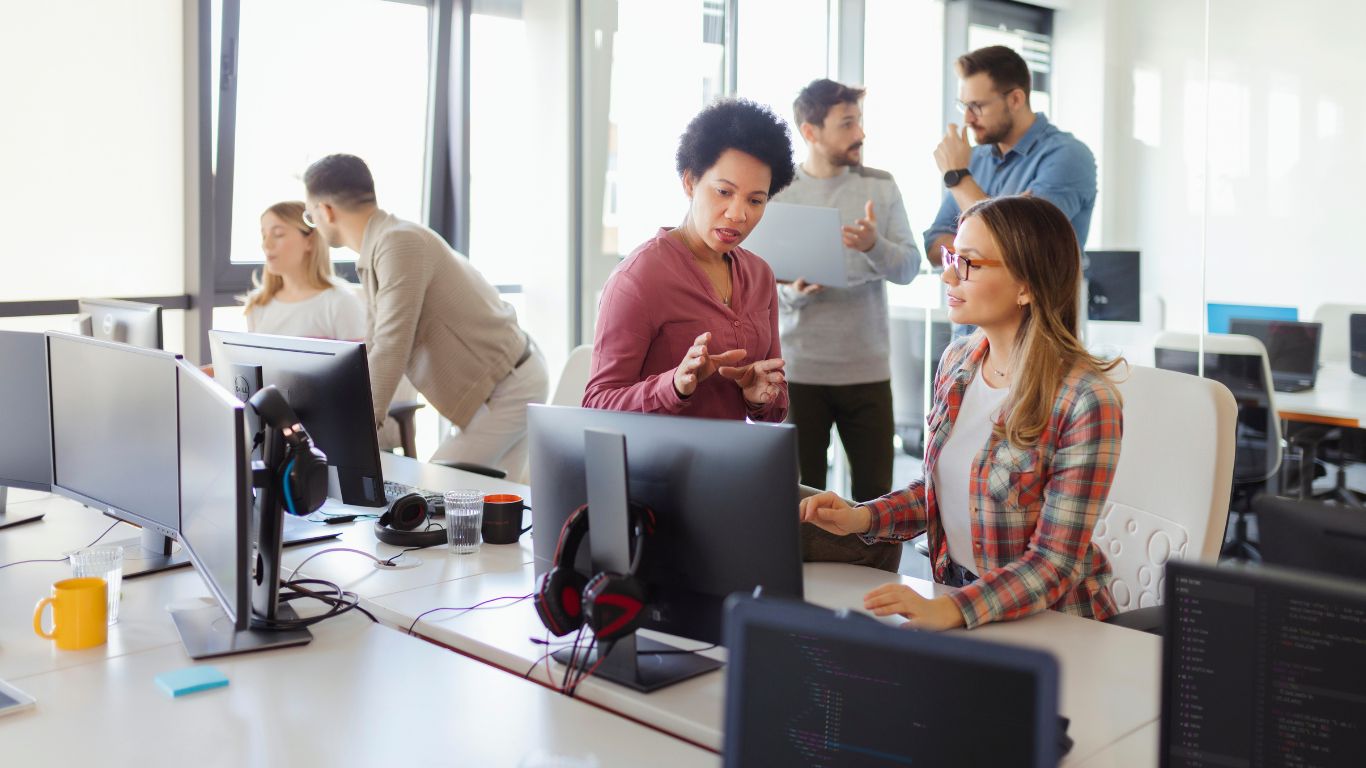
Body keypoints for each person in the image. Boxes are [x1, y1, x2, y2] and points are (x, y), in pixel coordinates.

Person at [800, 195, 1124, 630]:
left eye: (968, 263)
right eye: (952, 256)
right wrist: (860, 517)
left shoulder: (1084, 400)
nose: (948, 273)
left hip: (1057, 624)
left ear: (1027, 285)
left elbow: (1054, 564)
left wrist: (951, 609)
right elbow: (940, 490)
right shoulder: (959, 362)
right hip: (960, 600)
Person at [302, 154, 548, 483]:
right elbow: (376, 345)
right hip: (502, 384)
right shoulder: (379, 248)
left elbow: (391, 345)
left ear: (325, 211)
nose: (313, 222)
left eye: (310, 214)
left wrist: (354, 436)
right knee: (489, 510)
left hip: (509, 387)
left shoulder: (398, 243)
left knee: (432, 491)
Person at [774, 79, 921, 572]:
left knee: (877, 505)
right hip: (799, 371)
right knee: (797, 505)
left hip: (866, 369)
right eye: (847, 123)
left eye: (858, 120)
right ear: (810, 130)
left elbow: (908, 268)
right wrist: (790, 296)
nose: (860, 132)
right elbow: (758, 277)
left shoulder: (880, 185)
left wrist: (873, 246)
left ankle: (877, 608)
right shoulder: (779, 191)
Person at [582, 98, 793, 422]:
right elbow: (596, 404)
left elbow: (775, 409)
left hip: (729, 465)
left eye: (755, 200)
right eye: (723, 192)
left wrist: (759, 396)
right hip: (658, 468)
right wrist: (674, 386)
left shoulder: (760, 275)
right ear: (690, 181)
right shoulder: (638, 278)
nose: (738, 214)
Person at [924, 45, 1097, 264]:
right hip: (980, 298)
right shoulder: (975, 158)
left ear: (1015, 99)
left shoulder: (1067, 156)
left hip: (1039, 299)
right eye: (964, 106)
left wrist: (958, 177)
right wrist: (993, 245)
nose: (967, 119)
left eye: (976, 106)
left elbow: (1022, 243)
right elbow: (934, 246)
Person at [241, 201, 366, 340]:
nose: (266, 245)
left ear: (309, 241)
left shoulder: (340, 303)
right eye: (264, 235)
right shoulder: (257, 304)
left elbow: (360, 361)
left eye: (278, 234)